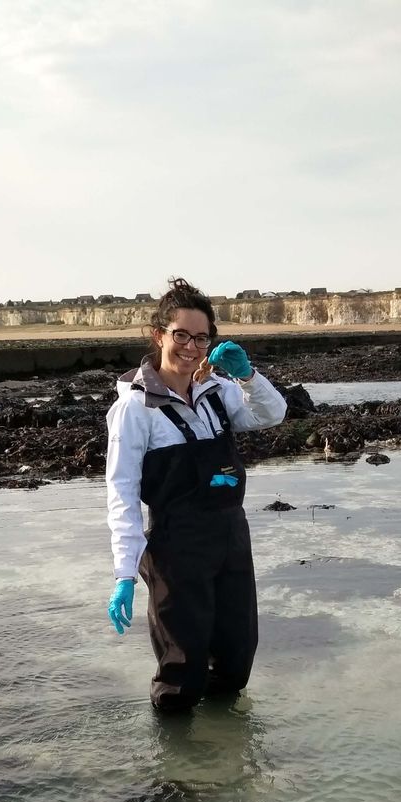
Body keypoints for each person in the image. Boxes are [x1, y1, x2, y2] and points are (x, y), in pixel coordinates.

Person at [104, 277, 287, 710]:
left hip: (231, 542)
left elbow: (272, 414)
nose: (190, 346)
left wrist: (247, 375)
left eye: (201, 338)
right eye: (181, 335)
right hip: (176, 551)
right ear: (159, 335)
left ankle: (225, 765)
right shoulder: (135, 407)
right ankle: (176, 775)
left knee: (236, 661)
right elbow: (122, 491)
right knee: (181, 676)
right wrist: (125, 574)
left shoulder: (218, 392)